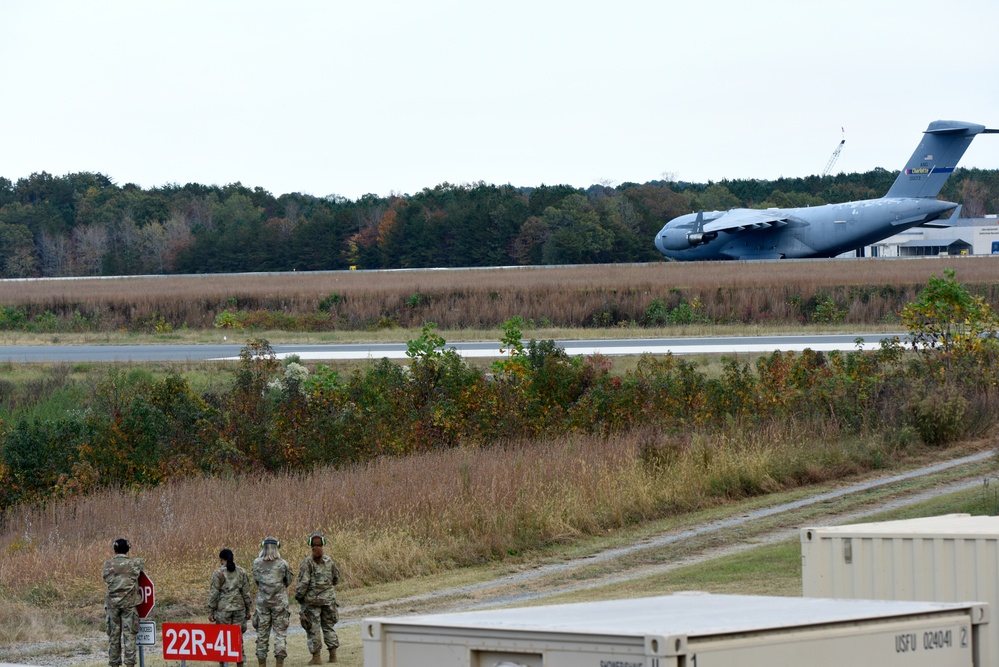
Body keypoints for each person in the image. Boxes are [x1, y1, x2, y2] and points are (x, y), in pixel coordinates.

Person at [296, 532, 341, 664]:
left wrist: (299, 597)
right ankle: (333, 656)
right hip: (328, 600)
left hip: (312, 602)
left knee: (313, 629)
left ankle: (316, 658)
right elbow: (336, 579)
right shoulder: (329, 561)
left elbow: (303, 584)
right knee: (329, 627)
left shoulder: (307, 563)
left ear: (310, 545)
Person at [103, 538, 144, 667]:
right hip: (129, 605)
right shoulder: (135, 563)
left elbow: (106, 578)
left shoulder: (107, 564)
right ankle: (130, 663)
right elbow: (140, 568)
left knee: (113, 637)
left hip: (112, 605)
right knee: (129, 635)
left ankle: (114, 663)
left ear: (114, 549)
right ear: (127, 549)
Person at [252, 537, 293, 667]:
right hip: (279, 603)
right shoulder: (282, 564)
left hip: (262, 603)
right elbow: (288, 580)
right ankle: (279, 663)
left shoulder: (257, 563)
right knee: (280, 634)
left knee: (262, 635)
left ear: (263, 547)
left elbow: (256, 580)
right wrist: (278, 589)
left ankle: (261, 664)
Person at [208, 548, 252, 667]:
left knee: (222, 639)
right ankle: (240, 663)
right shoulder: (242, 572)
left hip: (223, 611)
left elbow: (214, 594)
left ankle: (223, 664)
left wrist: (211, 611)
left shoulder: (218, 573)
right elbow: (246, 594)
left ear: (222, 560)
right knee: (238, 638)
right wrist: (248, 610)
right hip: (239, 609)